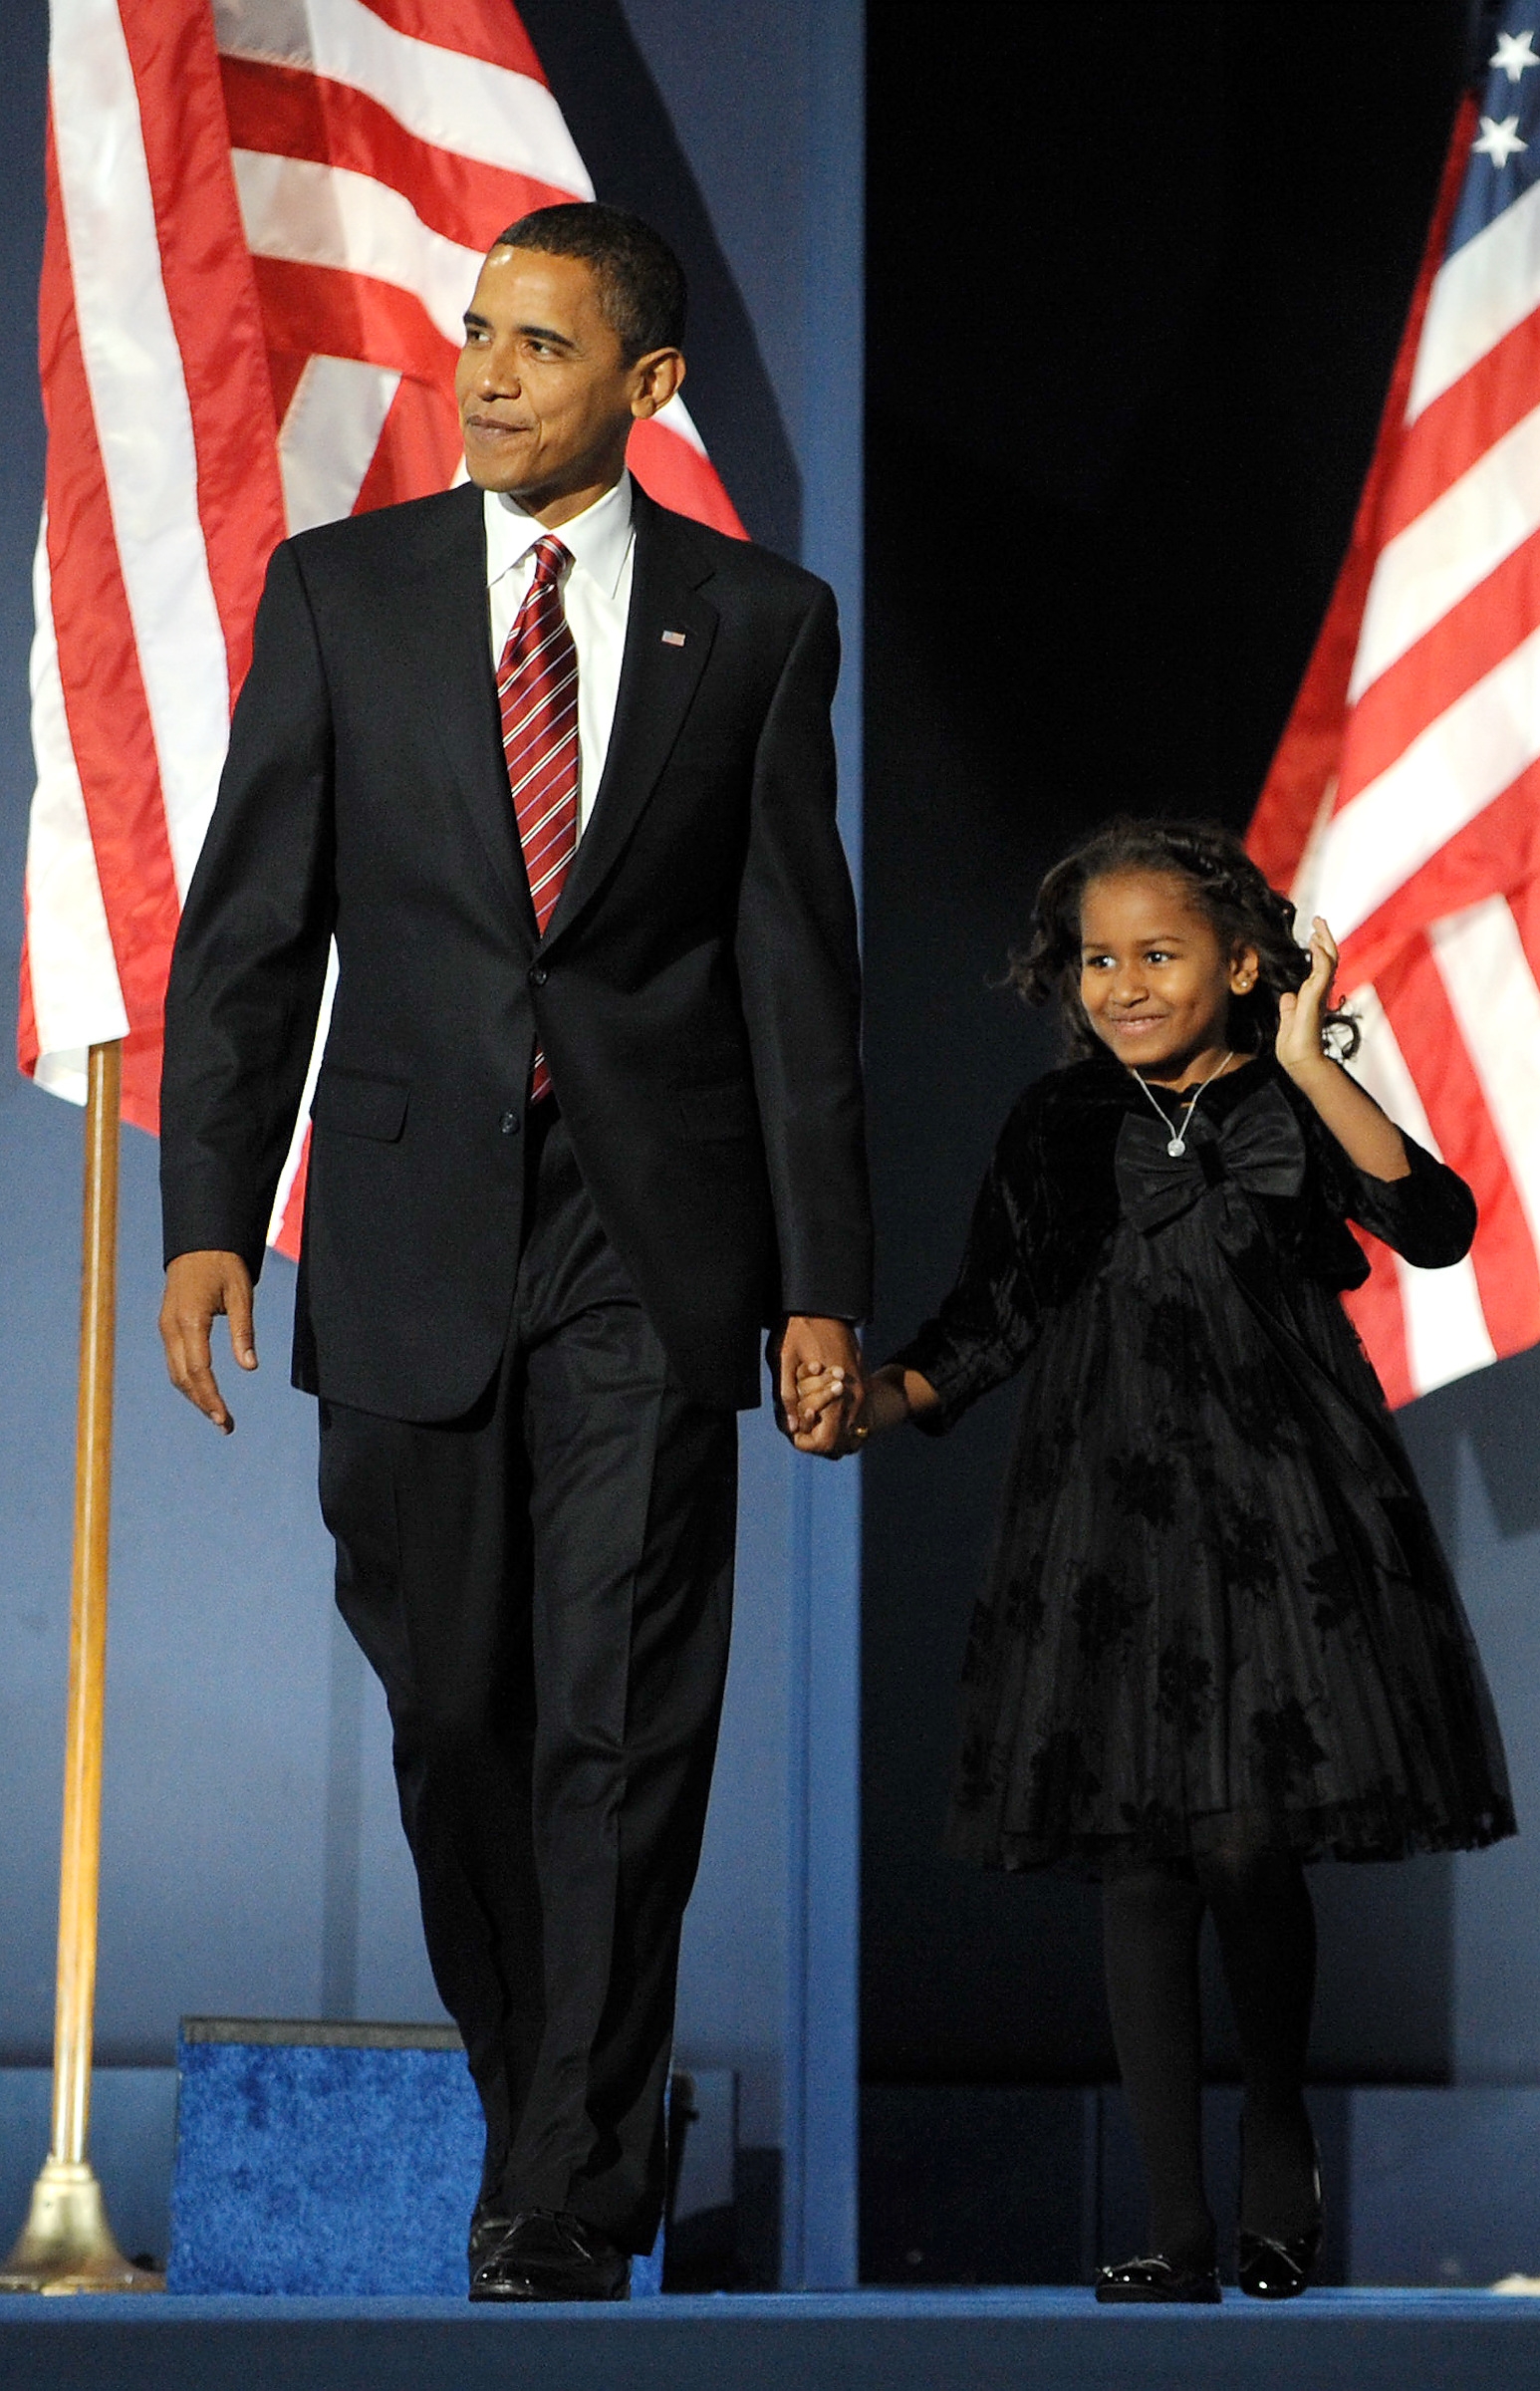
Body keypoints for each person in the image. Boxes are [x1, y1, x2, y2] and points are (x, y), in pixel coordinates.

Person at [157, 204, 874, 2302]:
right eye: (475, 332)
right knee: (456, 1715)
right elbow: (251, 934)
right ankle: (536, 2099)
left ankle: (566, 2180)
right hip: (400, 1234)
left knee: (620, 1727)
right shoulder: (345, 595)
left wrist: (817, 1277)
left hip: (650, 1246)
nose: (482, 373)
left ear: (644, 387)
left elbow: (792, 976)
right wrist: (213, 1220)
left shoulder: (757, 624)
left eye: (536, 345)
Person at [818, 820, 1512, 2302]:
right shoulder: (1057, 1123)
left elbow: (1437, 1227)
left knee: (1249, 1838)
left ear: (1242, 960)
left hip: (1284, 1509)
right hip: (1109, 1507)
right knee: (1140, 1857)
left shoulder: (1295, 1092)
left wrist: (1320, 1062)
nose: (1125, 982)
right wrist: (877, 1403)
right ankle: (1179, 2229)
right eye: (1100, 959)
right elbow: (995, 1310)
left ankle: (1277, 2148)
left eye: (1160, 953)